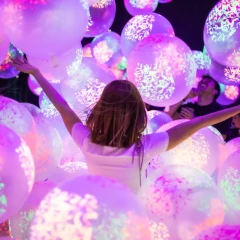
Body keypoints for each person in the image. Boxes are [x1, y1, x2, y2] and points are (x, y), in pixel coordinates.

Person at [10, 57, 240, 193]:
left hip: (99, 217)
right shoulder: (144, 147)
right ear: (138, 113)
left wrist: (37, 73)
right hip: (132, 223)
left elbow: (63, 107)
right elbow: (200, 122)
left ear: (102, 108)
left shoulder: (87, 142)